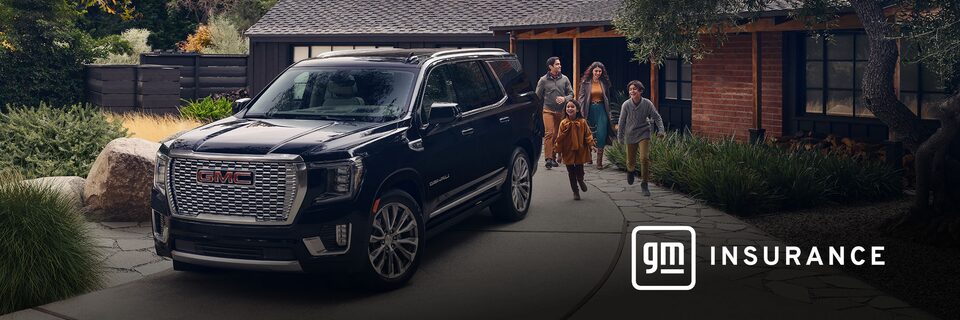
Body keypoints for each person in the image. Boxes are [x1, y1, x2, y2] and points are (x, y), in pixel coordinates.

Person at [617, 80, 665, 196]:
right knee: (631, 161)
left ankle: (644, 184)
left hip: (644, 132)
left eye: (634, 89)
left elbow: (657, 117)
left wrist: (661, 130)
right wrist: (620, 137)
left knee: (644, 158)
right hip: (630, 134)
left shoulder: (647, 103)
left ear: (640, 91)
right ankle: (630, 171)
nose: (632, 91)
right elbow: (621, 122)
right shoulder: (626, 105)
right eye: (630, 89)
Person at [535, 56, 574, 170]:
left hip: (561, 111)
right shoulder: (543, 80)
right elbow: (537, 96)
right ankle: (548, 159)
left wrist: (564, 99)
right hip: (547, 110)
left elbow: (571, 94)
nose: (559, 66)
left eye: (559, 64)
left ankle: (552, 157)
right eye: (557, 64)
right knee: (549, 133)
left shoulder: (565, 79)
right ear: (550, 67)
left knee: (557, 135)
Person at [576, 61, 616, 170]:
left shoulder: (604, 83)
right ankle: (589, 156)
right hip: (589, 109)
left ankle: (599, 162)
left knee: (601, 133)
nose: (598, 73)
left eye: (600, 71)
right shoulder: (585, 82)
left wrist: (609, 112)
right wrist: (580, 112)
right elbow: (581, 98)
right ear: (592, 71)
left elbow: (607, 97)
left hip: (602, 109)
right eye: (596, 71)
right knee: (589, 133)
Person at [554, 100, 596, 200]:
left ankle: (581, 180)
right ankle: (575, 191)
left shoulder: (582, 122)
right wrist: (559, 154)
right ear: (565, 109)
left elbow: (588, 135)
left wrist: (591, 145)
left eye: (572, 107)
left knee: (579, 170)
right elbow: (559, 139)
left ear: (577, 109)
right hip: (567, 151)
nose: (570, 108)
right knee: (571, 173)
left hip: (580, 151)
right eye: (568, 107)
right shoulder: (563, 123)